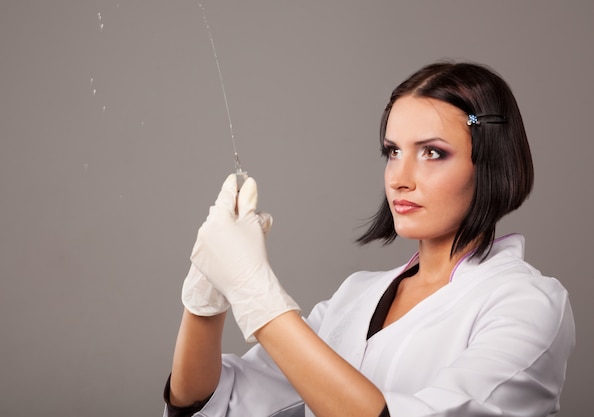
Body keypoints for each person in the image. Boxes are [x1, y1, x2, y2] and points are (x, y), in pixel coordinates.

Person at [163, 61, 575, 417]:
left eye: (432, 152)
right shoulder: (355, 297)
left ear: (491, 163)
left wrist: (257, 295)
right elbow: (208, 405)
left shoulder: (527, 305)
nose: (399, 178)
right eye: (392, 151)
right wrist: (207, 299)